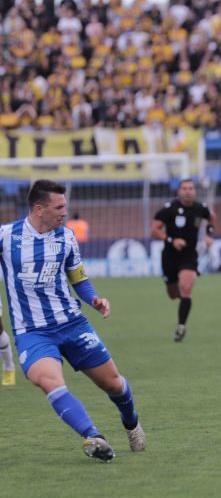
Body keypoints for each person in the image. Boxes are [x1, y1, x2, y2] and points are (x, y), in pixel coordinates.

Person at [0, 180, 145, 462]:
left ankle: (132, 423)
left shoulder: (66, 237)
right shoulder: (6, 236)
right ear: (39, 209)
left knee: (114, 384)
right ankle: (94, 437)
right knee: (47, 380)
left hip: (72, 324)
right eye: (60, 207)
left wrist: (94, 300)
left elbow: (78, 277)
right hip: (32, 332)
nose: (65, 212)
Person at [151, 179, 216, 342]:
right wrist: (172, 240)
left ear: (195, 191)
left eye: (191, 188)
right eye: (184, 188)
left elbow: (212, 219)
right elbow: (154, 230)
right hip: (170, 256)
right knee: (173, 294)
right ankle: (181, 298)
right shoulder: (169, 209)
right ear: (179, 191)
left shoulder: (200, 208)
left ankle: (181, 327)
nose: (188, 191)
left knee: (186, 288)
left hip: (189, 255)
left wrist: (209, 234)